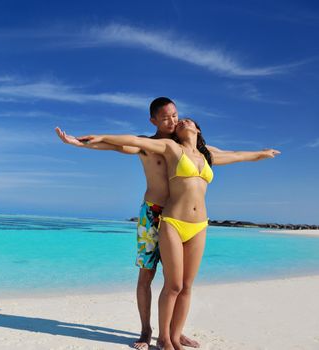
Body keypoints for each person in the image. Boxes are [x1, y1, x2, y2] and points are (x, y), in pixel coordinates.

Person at [77, 118, 280, 350]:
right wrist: (101, 137)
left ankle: (175, 336)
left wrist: (262, 153)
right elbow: (132, 141)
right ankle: (163, 338)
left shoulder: (208, 155)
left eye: (187, 120)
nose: (181, 121)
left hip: (200, 225)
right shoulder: (171, 148)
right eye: (178, 120)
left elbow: (237, 155)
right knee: (173, 285)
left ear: (198, 129)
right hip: (173, 221)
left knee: (186, 286)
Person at [56, 97, 216, 349]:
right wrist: (81, 143)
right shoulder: (150, 145)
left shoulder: (187, 145)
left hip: (181, 215)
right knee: (147, 274)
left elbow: (223, 155)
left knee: (179, 282)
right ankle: (146, 330)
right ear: (154, 121)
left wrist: (259, 154)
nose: (172, 121)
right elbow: (117, 145)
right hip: (153, 214)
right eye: (165, 118)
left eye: (175, 115)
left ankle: (175, 333)